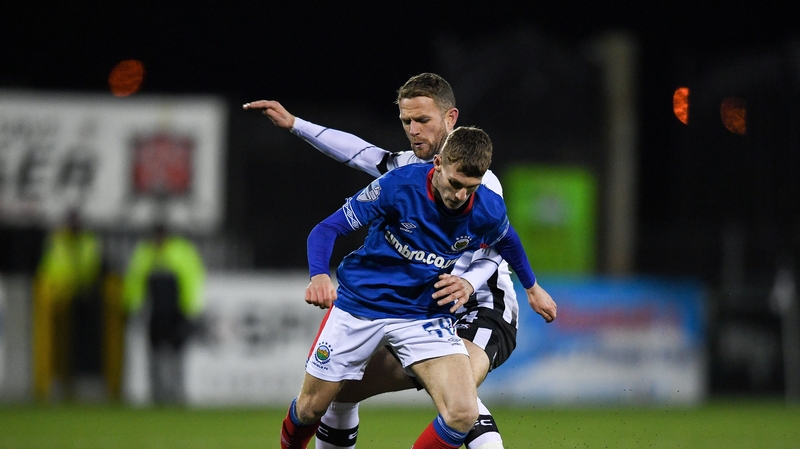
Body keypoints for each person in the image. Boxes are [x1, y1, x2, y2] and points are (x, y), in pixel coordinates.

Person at [244, 73, 547, 449]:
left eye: (423, 120)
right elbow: (358, 152)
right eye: (406, 122)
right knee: (335, 395)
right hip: (423, 299)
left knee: (461, 400)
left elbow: (498, 245)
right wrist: (296, 124)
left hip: (482, 304)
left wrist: (474, 282)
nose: (413, 131)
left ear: (451, 119)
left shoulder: (479, 182)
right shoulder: (404, 172)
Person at [122, 223, 205, 404]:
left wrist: (190, 310)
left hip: (176, 312)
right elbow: (135, 281)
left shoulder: (180, 252)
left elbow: (192, 279)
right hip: (155, 312)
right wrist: (134, 307)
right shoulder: (145, 253)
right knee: (155, 353)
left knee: (176, 353)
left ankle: (177, 392)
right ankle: (157, 393)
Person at [34, 207, 104, 400]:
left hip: (81, 299)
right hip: (57, 301)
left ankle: (70, 383)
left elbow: (92, 267)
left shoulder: (87, 241)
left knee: (76, 347)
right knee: (55, 346)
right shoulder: (57, 241)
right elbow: (48, 269)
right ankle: (52, 382)